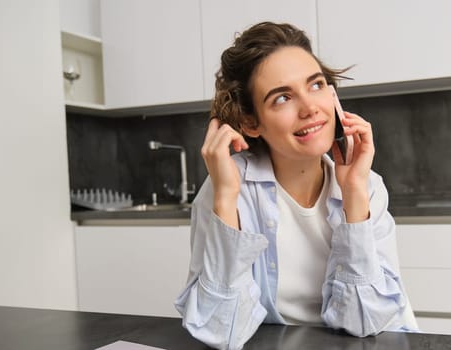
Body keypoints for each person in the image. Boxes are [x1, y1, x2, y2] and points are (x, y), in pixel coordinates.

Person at [173, 22, 418, 350]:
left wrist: (354, 194)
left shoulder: (367, 186)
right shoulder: (226, 190)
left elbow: (364, 323)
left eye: (316, 85)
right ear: (250, 122)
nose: (310, 108)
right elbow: (221, 331)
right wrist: (226, 199)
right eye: (282, 97)